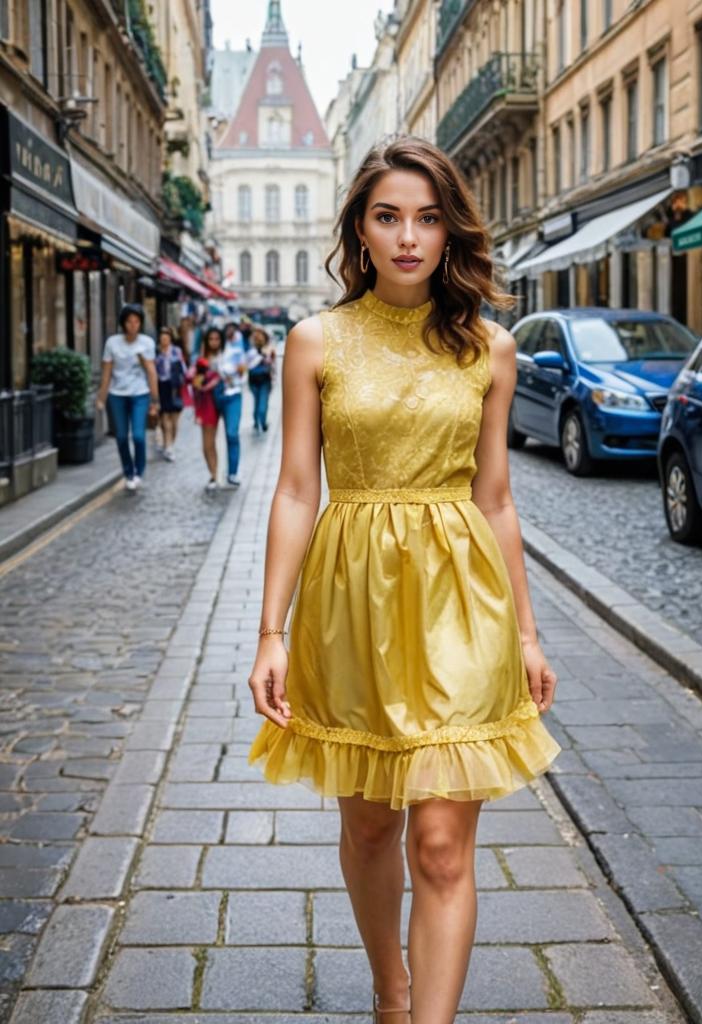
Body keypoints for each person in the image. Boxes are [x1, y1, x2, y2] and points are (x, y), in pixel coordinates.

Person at [245, 137, 561, 1021]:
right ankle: (392, 986)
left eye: (427, 217)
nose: (409, 236)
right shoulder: (316, 341)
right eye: (389, 217)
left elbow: (496, 500)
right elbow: (297, 489)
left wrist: (528, 633)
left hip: (465, 599)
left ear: (451, 231)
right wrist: (271, 630)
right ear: (361, 229)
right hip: (349, 600)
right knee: (373, 822)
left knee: (443, 845)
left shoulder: (489, 350)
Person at [96, 303, 159, 493]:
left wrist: (155, 401)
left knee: (139, 436)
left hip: (140, 394)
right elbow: (106, 373)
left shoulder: (147, 343)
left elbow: (152, 373)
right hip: (117, 395)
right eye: (129, 321)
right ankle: (128, 472)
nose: (133, 325)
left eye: (137, 321)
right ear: (123, 323)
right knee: (122, 437)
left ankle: (139, 471)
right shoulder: (112, 343)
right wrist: (101, 397)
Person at [189, 327, 223, 493]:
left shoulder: (224, 357)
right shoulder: (200, 360)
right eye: (211, 339)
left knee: (210, 442)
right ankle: (213, 474)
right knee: (206, 444)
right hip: (204, 403)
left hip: (217, 401)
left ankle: (215, 475)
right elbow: (191, 379)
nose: (214, 342)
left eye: (217, 339)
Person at [214, 329, 248, 486]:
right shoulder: (208, 352)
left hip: (233, 394)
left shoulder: (237, 351)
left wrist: (237, 372)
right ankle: (212, 475)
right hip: (212, 396)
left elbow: (243, 373)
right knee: (208, 437)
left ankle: (232, 472)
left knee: (231, 433)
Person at [155, 326, 187, 461]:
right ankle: (167, 446)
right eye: (162, 337)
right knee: (164, 418)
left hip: (174, 387)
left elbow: (183, 369)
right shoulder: (155, 352)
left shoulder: (176, 351)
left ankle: (170, 445)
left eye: (166, 337)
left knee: (174, 419)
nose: (164, 339)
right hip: (161, 386)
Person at [247, 327, 277, 433]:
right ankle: (256, 421)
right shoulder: (249, 350)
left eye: (260, 336)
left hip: (265, 380)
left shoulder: (269, 350)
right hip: (253, 380)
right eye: (256, 337)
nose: (258, 339)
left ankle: (262, 422)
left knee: (262, 404)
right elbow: (247, 365)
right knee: (256, 401)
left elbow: (273, 366)